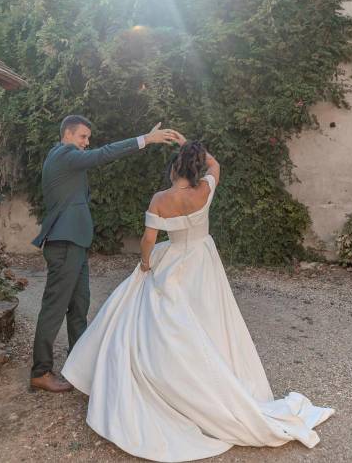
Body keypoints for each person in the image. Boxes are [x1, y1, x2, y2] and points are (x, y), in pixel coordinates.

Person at [61, 137, 334, 461]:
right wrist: (199, 151)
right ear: (195, 166)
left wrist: (146, 264)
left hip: (174, 259)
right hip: (203, 261)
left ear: (174, 168)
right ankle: (216, 372)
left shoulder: (161, 199)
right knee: (209, 318)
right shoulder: (205, 188)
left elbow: (149, 240)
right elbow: (215, 166)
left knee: (152, 312)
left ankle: (169, 382)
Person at [29, 115, 179, 392]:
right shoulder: (64, 154)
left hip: (75, 242)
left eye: (88, 138)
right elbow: (104, 155)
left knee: (79, 306)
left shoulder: (67, 159)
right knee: (55, 307)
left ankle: (79, 365)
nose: (87, 143)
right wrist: (145, 139)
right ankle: (40, 371)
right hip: (63, 244)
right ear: (68, 135)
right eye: (83, 137)